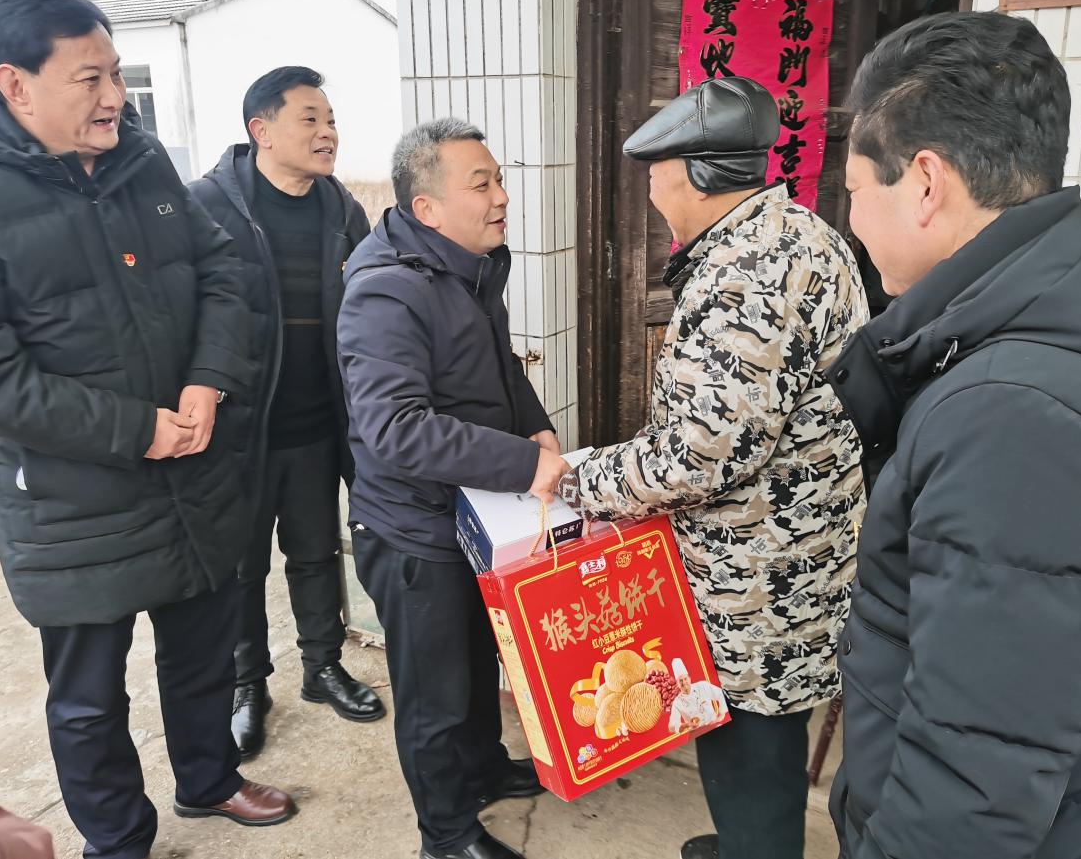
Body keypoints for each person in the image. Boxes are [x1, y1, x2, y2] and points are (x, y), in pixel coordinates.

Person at [827, 10, 1081, 859]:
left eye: (854, 189)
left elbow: (973, 782)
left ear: (925, 182)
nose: (849, 218)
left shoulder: (1012, 409)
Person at [0, 0, 296, 859]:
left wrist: (209, 382)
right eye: (90, 79)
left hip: (192, 464)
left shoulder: (139, 158)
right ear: (14, 84)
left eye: (116, 73)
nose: (115, 96)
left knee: (203, 650)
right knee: (89, 697)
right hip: (74, 502)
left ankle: (208, 778)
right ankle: (118, 841)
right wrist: (134, 428)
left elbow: (220, 271)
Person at [554, 76, 869, 859]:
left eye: (657, 170)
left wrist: (580, 479)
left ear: (695, 175)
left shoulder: (744, 274)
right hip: (800, 553)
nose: (651, 187)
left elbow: (702, 454)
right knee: (763, 742)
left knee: (750, 749)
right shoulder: (804, 232)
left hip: (759, 579)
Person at [338, 118, 568, 859]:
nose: (502, 197)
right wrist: (521, 465)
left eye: (499, 179)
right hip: (412, 530)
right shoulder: (386, 292)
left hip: (467, 515)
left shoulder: (468, 263)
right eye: (483, 184)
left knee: (474, 662)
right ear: (427, 207)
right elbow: (396, 428)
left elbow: (497, 367)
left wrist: (536, 428)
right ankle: (445, 835)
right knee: (434, 695)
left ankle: (483, 769)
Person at [188, 66, 383, 759]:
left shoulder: (342, 210)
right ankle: (248, 684)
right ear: (261, 130)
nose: (328, 132)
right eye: (310, 119)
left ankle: (322, 666)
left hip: (318, 421)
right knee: (241, 565)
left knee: (315, 551)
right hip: (240, 428)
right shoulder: (207, 205)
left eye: (331, 120)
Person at [666, 659, 727, 734]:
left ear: (690, 679)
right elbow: (671, 727)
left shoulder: (703, 686)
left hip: (713, 725)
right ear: (677, 684)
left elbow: (721, 694)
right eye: (680, 681)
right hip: (696, 733)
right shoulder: (677, 702)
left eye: (685, 679)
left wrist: (721, 715)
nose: (684, 682)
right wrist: (687, 725)